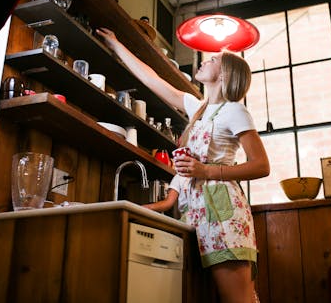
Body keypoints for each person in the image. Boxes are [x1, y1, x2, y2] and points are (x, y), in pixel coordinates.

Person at [96, 27, 270, 303]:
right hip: (197, 215)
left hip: (224, 219)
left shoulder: (235, 110)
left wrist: (207, 171)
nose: (205, 60)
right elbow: (152, 80)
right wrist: (116, 46)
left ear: (225, 74)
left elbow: (261, 165)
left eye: (212, 60)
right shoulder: (199, 109)